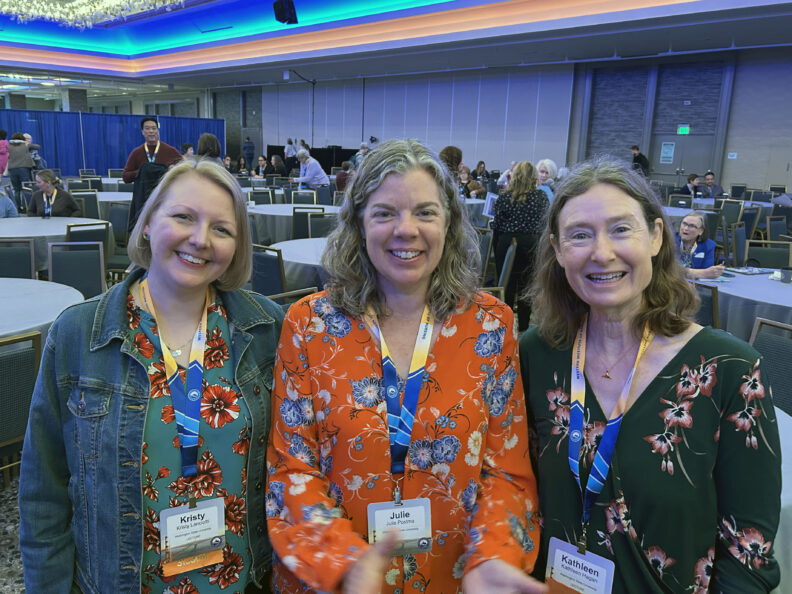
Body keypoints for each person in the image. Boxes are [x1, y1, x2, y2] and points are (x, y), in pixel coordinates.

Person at [267, 139, 544, 594]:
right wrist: (345, 564)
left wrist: (495, 555)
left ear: (450, 223)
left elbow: (506, 472)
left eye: (425, 212)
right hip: (338, 582)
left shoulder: (491, 326)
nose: (406, 229)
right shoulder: (309, 325)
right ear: (358, 223)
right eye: (384, 213)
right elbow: (291, 469)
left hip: (456, 576)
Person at [19, 159, 284, 593]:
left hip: (243, 581)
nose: (200, 240)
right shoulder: (79, 335)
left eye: (222, 229)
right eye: (183, 217)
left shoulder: (265, 329)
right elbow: (42, 494)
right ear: (147, 224)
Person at [520, 157, 781, 592]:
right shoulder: (537, 354)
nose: (602, 252)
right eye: (580, 235)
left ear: (657, 236)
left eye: (621, 229)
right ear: (559, 250)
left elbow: (748, 556)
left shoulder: (729, 370)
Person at [491, 161, 549, 330]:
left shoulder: (503, 198)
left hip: (506, 242)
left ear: (514, 176)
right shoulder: (541, 197)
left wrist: (496, 253)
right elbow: (544, 225)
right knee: (526, 287)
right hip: (531, 244)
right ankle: (523, 327)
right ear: (533, 177)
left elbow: (497, 227)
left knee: (507, 286)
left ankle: (505, 326)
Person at [122, 117, 181, 183]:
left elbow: (185, 170)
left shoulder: (170, 151)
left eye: (154, 128)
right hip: (144, 191)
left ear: (158, 131)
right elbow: (125, 177)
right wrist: (142, 171)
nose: (151, 131)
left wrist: (173, 170)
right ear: (142, 132)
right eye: (147, 128)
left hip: (164, 191)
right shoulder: (136, 153)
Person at [676, 211, 724, 279]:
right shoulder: (669, 241)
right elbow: (667, 270)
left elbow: (708, 273)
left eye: (692, 226)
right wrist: (699, 273)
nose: (686, 228)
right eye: (684, 224)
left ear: (701, 231)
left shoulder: (708, 246)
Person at [6, 132, 36, 211]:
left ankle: (18, 207)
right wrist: (27, 143)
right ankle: (26, 206)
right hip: (24, 169)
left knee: (16, 190)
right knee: (25, 188)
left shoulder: (9, 146)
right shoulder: (25, 146)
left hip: (12, 169)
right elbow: (37, 146)